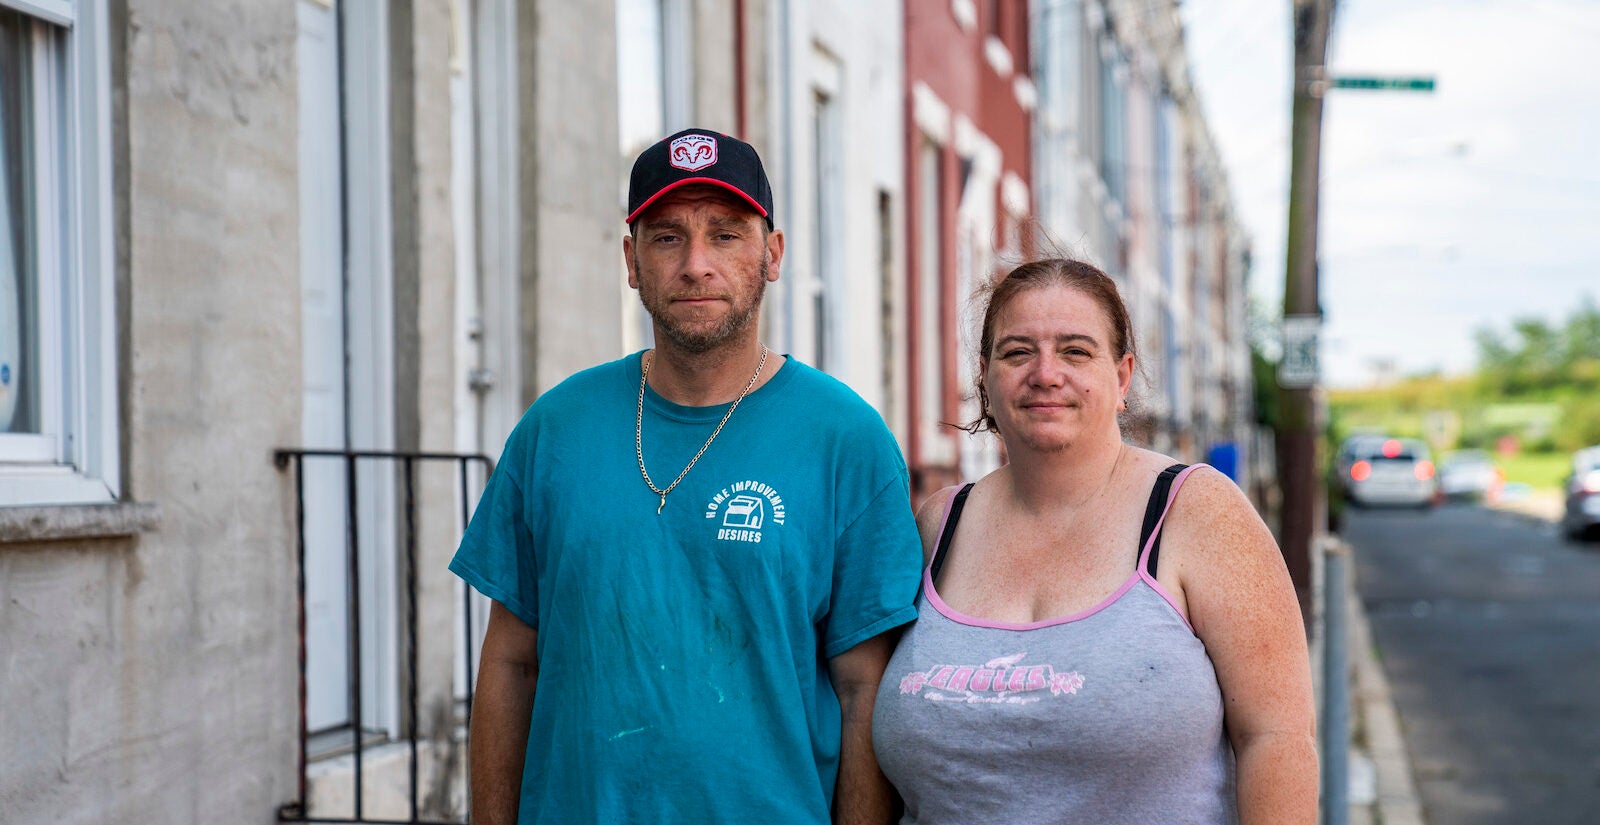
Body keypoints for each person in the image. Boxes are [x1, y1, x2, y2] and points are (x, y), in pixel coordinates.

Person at [450, 127, 923, 825]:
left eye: (726, 235)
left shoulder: (845, 441)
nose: (696, 263)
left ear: (773, 253)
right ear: (631, 260)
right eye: (667, 237)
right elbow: (510, 663)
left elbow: (865, 693)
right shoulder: (555, 429)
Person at [871, 258, 1317, 823]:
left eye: (1076, 351)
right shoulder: (938, 525)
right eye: (1017, 352)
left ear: (1122, 375)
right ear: (984, 376)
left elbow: (1275, 739)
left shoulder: (1196, 513)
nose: (1046, 373)